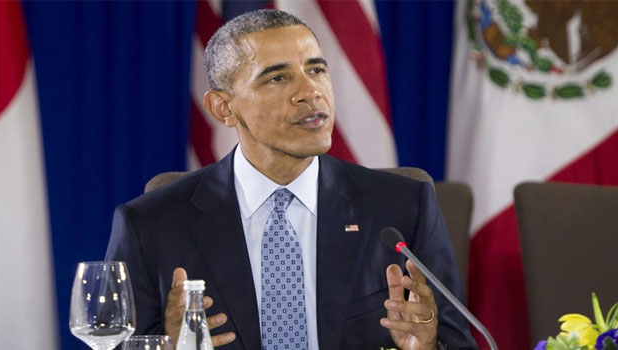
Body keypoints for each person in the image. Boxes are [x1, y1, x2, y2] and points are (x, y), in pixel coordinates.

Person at [106, 9, 476, 350]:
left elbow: (457, 342)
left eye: (316, 70)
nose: (309, 92)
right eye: (278, 77)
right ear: (224, 107)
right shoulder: (150, 225)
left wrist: (429, 345)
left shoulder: (403, 208)